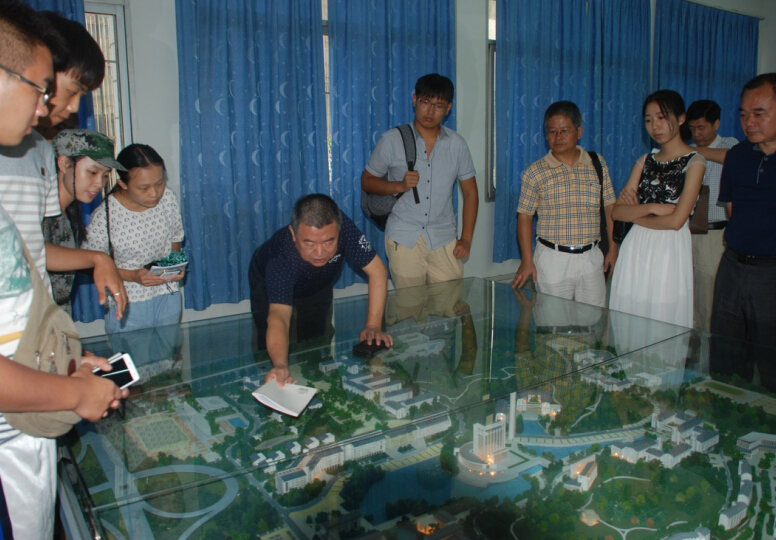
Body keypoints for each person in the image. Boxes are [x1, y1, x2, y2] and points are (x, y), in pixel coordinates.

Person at [0, 3, 127, 538]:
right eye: (48, 88)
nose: (55, 107)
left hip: (25, 401)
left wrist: (64, 366)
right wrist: (72, 393)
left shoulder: (30, 150)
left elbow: (24, 271)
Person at [0, 8, 127, 317]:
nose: (72, 108)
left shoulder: (40, 151)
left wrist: (98, 258)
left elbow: (32, 250)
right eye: (72, 91)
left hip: (35, 322)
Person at [249, 194, 392, 385]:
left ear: (339, 232)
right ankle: (272, 375)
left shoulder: (343, 227)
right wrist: (280, 365)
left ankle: (318, 379)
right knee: (267, 343)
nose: (319, 253)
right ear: (293, 233)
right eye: (309, 243)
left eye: (328, 242)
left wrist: (373, 326)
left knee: (317, 340)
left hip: (318, 281)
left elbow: (377, 270)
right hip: (269, 282)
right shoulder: (280, 259)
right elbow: (279, 316)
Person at [361, 73, 478, 288]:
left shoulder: (457, 145)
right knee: (410, 306)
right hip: (404, 237)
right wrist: (399, 185)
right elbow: (367, 181)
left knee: (449, 302)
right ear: (415, 100)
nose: (430, 111)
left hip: (444, 238)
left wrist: (467, 238)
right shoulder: (392, 140)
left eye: (439, 105)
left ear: (448, 108)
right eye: (425, 102)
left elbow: (471, 193)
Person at [609, 90, 706, 327]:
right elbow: (617, 212)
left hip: (669, 248)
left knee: (662, 316)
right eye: (649, 120)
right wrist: (652, 207)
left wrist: (636, 213)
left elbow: (675, 221)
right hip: (636, 245)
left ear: (681, 118)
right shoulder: (644, 161)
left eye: (661, 117)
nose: (655, 126)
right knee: (631, 312)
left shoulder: (695, 162)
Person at [512, 101, 618, 308]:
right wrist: (527, 260)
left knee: (592, 319)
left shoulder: (597, 164)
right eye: (552, 131)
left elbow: (610, 208)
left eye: (565, 131)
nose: (558, 137)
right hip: (553, 259)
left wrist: (613, 250)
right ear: (546, 135)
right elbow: (524, 217)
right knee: (552, 321)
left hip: (591, 257)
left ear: (579, 131)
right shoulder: (534, 172)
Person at [82, 143, 185, 335]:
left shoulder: (168, 199)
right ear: (123, 184)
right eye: (143, 187)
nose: (154, 193)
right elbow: (89, 265)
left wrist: (176, 264)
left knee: (169, 352)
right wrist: (133, 276)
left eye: (159, 183)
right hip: (128, 301)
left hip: (167, 295)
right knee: (132, 353)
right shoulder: (105, 216)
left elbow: (175, 238)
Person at [711, 73, 776, 371]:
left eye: (759, 113)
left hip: (771, 274)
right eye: (743, 114)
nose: (749, 122)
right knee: (725, 352)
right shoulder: (737, 155)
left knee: (770, 360)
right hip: (732, 267)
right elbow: (732, 210)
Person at [44, 129, 126, 313]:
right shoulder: (39, 208)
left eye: (105, 175)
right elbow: (36, 251)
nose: (99, 183)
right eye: (92, 172)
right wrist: (98, 258)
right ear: (64, 163)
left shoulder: (67, 213)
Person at [686, 100, 738, 331]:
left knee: (709, 299)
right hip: (688, 232)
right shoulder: (688, 150)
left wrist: (690, 152)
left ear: (716, 124)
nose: (696, 134)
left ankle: (707, 351)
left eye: (701, 127)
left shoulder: (730, 144)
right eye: (692, 128)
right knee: (689, 297)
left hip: (715, 235)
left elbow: (730, 157)